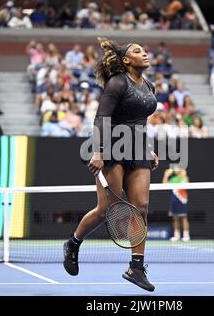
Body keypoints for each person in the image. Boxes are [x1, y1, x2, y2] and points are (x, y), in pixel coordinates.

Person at [63, 37, 159, 292]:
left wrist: (148, 149)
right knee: (108, 209)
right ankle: (73, 243)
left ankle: (136, 268)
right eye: (138, 51)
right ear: (126, 61)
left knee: (141, 206)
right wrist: (98, 151)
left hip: (137, 147)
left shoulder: (149, 85)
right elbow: (101, 117)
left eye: (144, 49)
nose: (145, 53)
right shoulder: (117, 83)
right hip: (112, 146)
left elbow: (141, 120)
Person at [163, 167, 190, 242]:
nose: (176, 169)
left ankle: (186, 235)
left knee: (184, 218)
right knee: (175, 219)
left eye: (178, 168)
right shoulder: (173, 179)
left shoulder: (184, 177)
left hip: (182, 200)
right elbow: (164, 184)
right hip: (174, 201)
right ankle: (176, 235)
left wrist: (184, 174)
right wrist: (166, 175)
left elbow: (187, 184)